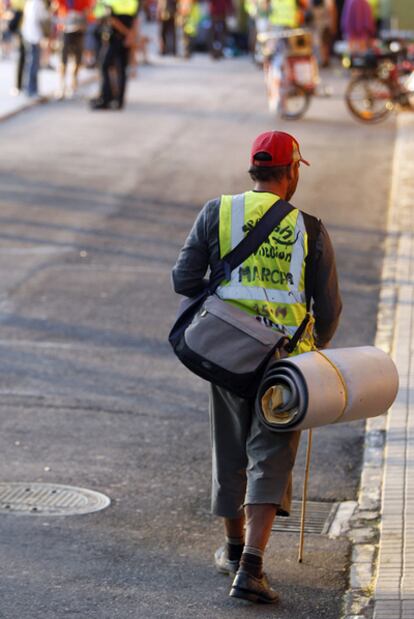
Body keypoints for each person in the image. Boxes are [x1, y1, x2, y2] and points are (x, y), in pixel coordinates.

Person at [171, 131, 342, 604]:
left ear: (255, 171)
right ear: (291, 173)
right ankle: (251, 568)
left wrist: (226, 299)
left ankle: (230, 549)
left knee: (230, 452)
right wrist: (311, 354)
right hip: (284, 360)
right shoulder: (310, 229)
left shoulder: (217, 212)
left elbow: (183, 279)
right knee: (270, 456)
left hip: (225, 355)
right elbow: (328, 309)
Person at [90, 0, 139, 110]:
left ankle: (106, 97)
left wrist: (128, 34)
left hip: (115, 38)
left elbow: (112, 20)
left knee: (105, 65)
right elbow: (135, 20)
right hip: (123, 38)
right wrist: (131, 35)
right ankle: (117, 100)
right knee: (120, 69)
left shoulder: (112, 2)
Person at [55, 0, 91, 98]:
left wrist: (80, 17)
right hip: (65, 29)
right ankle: (62, 85)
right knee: (63, 59)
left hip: (79, 30)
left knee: (77, 59)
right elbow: (56, 6)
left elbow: (88, 10)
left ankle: (73, 84)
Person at [21, 0, 49, 96]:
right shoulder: (37, 3)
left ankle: (32, 88)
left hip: (30, 35)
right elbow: (41, 18)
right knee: (33, 63)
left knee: (32, 63)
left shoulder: (31, 3)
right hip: (33, 36)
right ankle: (31, 88)